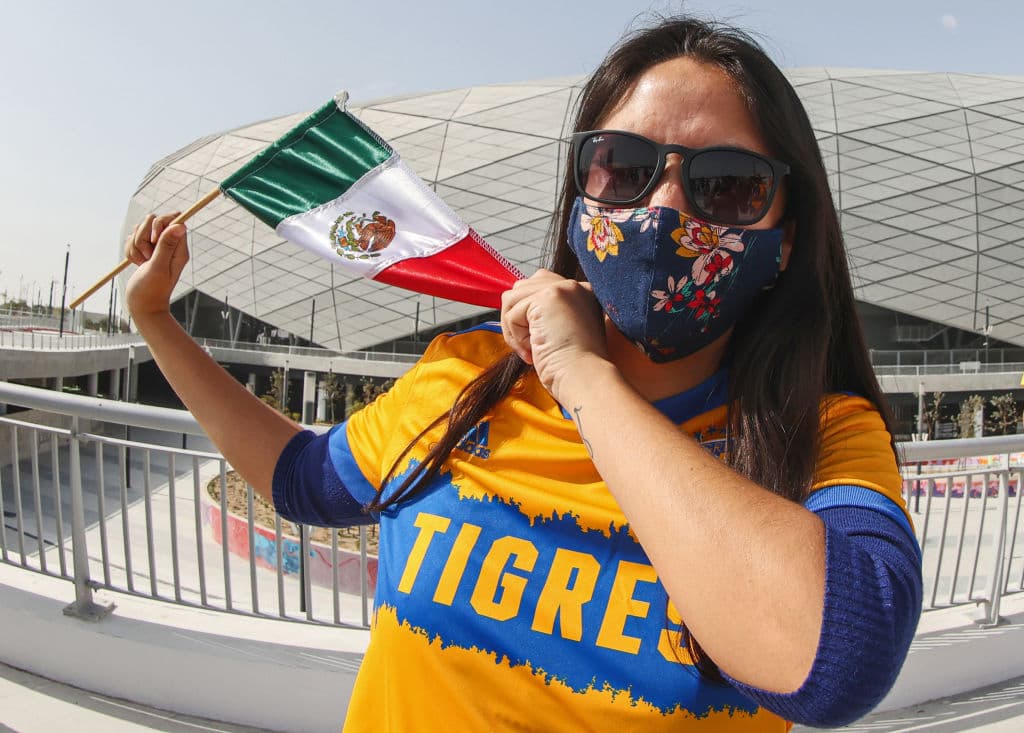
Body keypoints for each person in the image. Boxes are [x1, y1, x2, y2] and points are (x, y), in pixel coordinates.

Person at [124, 16, 922, 732]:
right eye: (624, 166)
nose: (663, 210)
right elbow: (303, 479)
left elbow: (839, 661)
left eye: (728, 186)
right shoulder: (471, 377)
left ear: (785, 237)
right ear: (580, 195)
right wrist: (158, 323)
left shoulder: (820, 435)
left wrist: (584, 378)